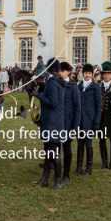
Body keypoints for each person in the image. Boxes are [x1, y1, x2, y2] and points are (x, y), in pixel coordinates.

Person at [34, 60, 67, 189]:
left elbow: (52, 103)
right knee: (48, 153)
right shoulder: (57, 82)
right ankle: (45, 179)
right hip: (54, 122)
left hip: (52, 123)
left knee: (52, 153)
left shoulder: (53, 83)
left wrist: (39, 95)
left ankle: (57, 180)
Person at [76, 64, 101, 176]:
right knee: (80, 144)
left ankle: (88, 167)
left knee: (88, 144)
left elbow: (98, 106)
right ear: (83, 74)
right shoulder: (79, 86)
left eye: (89, 73)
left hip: (90, 121)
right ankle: (79, 166)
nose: (87, 75)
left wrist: (96, 122)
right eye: (85, 73)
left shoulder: (95, 87)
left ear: (92, 75)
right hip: (79, 121)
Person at [58, 62, 81, 186]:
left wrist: (75, 127)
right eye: (59, 71)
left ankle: (66, 175)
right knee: (55, 149)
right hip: (56, 123)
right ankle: (56, 173)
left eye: (62, 71)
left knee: (66, 149)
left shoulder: (73, 87)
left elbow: (77, 108)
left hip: (68, 124)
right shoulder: (55, 84)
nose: (59, 73)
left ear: (67, 72)